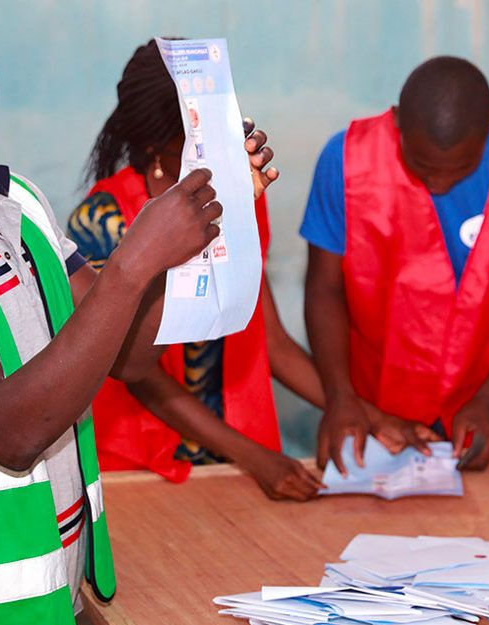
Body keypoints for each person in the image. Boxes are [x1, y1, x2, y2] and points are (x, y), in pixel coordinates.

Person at [0, 0, 277, 624]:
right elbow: (9, 431)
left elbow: (126, 356)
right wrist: (133, 261)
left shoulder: (18, 200)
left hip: (54, 593)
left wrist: (217, 219)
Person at [68, 40, 331, 501]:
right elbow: (140, 374)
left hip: (230, 459)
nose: (218, 153)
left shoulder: (236, 199)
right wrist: (253, 456)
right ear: (154, 149)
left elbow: (270, 339)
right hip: (140, 469)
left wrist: (356, 411)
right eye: (197, 141)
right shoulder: (102, 222)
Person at [302, 56, 489, 475]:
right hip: (375, 399)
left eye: (461, 169)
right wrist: (341, 396)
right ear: (397, 121)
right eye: (422, 165)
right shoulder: (346, 159)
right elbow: (323, 288)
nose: (439, 184)